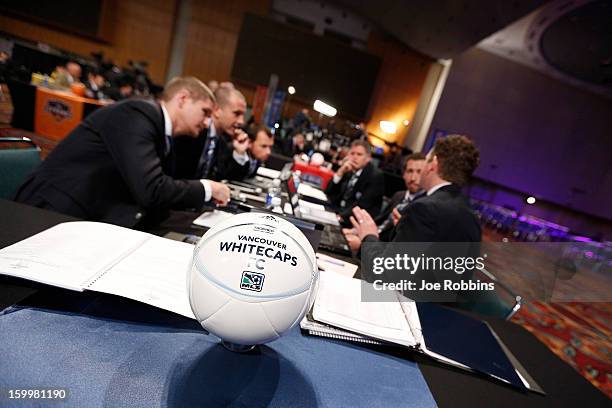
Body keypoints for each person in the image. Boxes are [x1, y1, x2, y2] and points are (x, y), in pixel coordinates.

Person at [14, 76, 230, 228]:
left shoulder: (164, 132)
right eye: (205, 112)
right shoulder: (138, 114)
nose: (207, 121)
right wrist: (206, 189)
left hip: (86, 214)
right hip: (50, 210)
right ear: (182, 99)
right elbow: (152, 189)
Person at [351, 135, 481, 243]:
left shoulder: (424, 208)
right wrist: (405, 230)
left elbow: (390, 268)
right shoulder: (473, 218)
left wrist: (368, 236)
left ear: (433, 163)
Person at [343, 152, 426, 251]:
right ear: (403, 174)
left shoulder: (424, 206)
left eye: (419, 172)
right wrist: (359, 230)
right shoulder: (399, 195)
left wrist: (362, 244)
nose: (413, 178)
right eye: (410, 171)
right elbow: (380, 223)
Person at [325, 139, 385, 226]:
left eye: (359, 154)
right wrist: (340, 172)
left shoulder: (375, 175)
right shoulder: (348, 169)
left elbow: (363, 206)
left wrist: (337, 217)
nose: (354, 157)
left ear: (368, 158)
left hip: (355, 223)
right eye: (352, 153)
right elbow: (329, 192)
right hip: (337, 213)